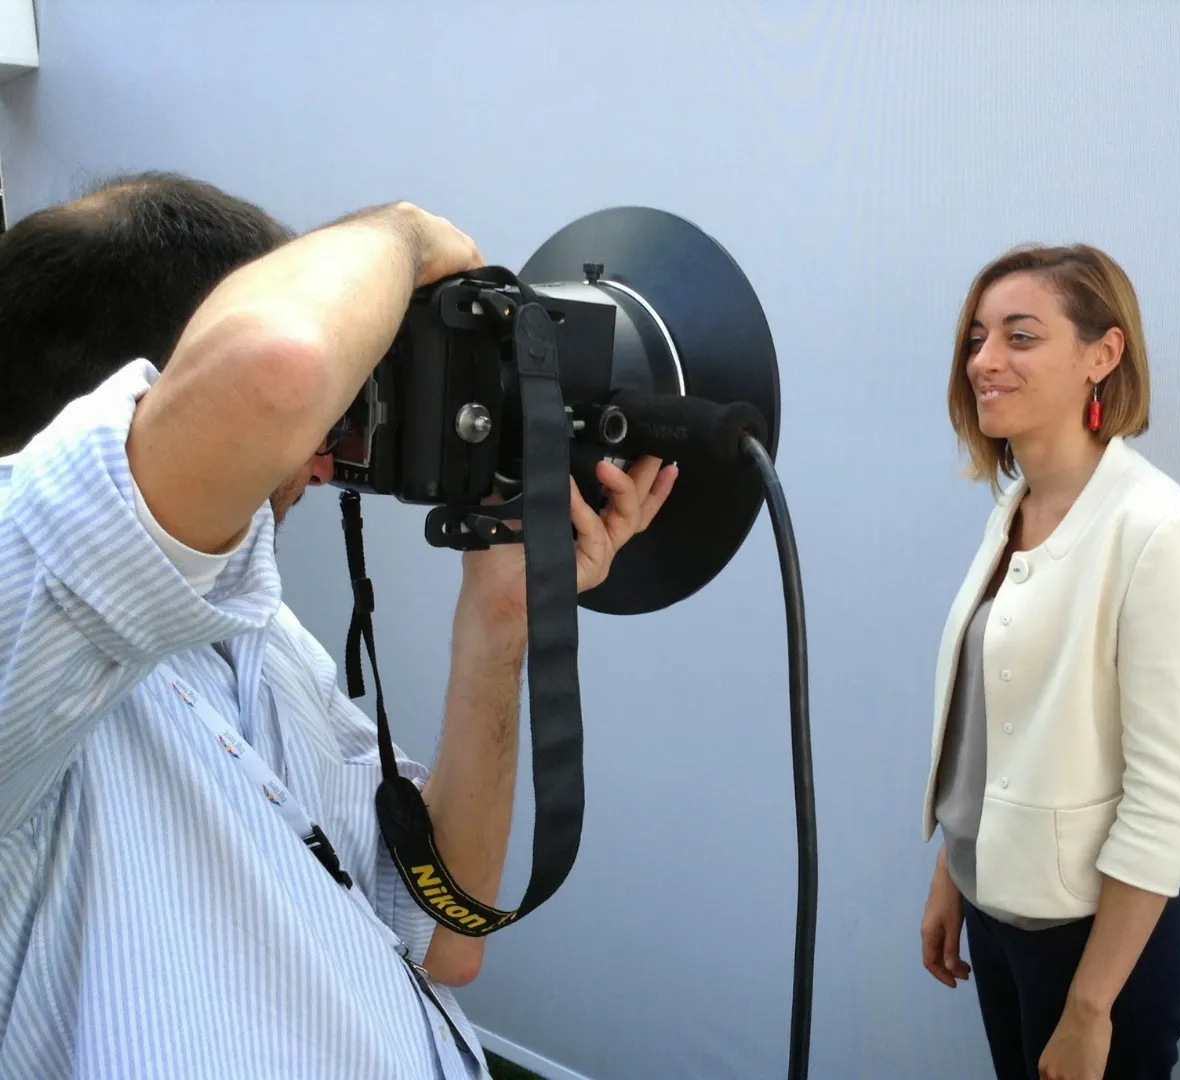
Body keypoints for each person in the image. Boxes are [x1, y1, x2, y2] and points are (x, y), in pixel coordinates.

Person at [0, 173, 677, 1079]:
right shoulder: (19, 628)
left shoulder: (254, 633)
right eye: (327, 415)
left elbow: (445, 934)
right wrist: (402, 231)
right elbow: (273, 368)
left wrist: (500, 614)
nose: (322, 463)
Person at [917, 244, 1180, 1080]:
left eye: (1019, 336)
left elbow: (1170, 797)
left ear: (1103, 353)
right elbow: (1007, 726)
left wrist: (1090, 1009)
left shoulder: (1158, 530)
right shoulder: (1017, 508)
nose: (983, 360)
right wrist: (955, 872)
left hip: (1096, 950)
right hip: (997, 917)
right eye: (977, 338)